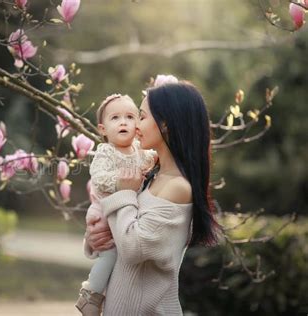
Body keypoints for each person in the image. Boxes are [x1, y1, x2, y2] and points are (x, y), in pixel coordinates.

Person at [84, 76, 220, 315]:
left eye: (142, 117)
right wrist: (96, 237)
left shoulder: (178, 187)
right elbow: (126, 230)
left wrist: (124, 191)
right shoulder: (152, 177)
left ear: (165, 124)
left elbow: (133, 248)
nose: (135, 126)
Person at [75, 94, 156, 316]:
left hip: (125, 210)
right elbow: (98, 177)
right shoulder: (106, 151)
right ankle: (91, 294)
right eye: (115, 118)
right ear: (103, 129)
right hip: (103, 209)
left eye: (130, 117)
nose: (123, 122)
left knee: (122, 255)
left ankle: (110, 295)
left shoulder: (140, 150)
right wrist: (120, 183)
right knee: (109, 254)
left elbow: (155, 157)